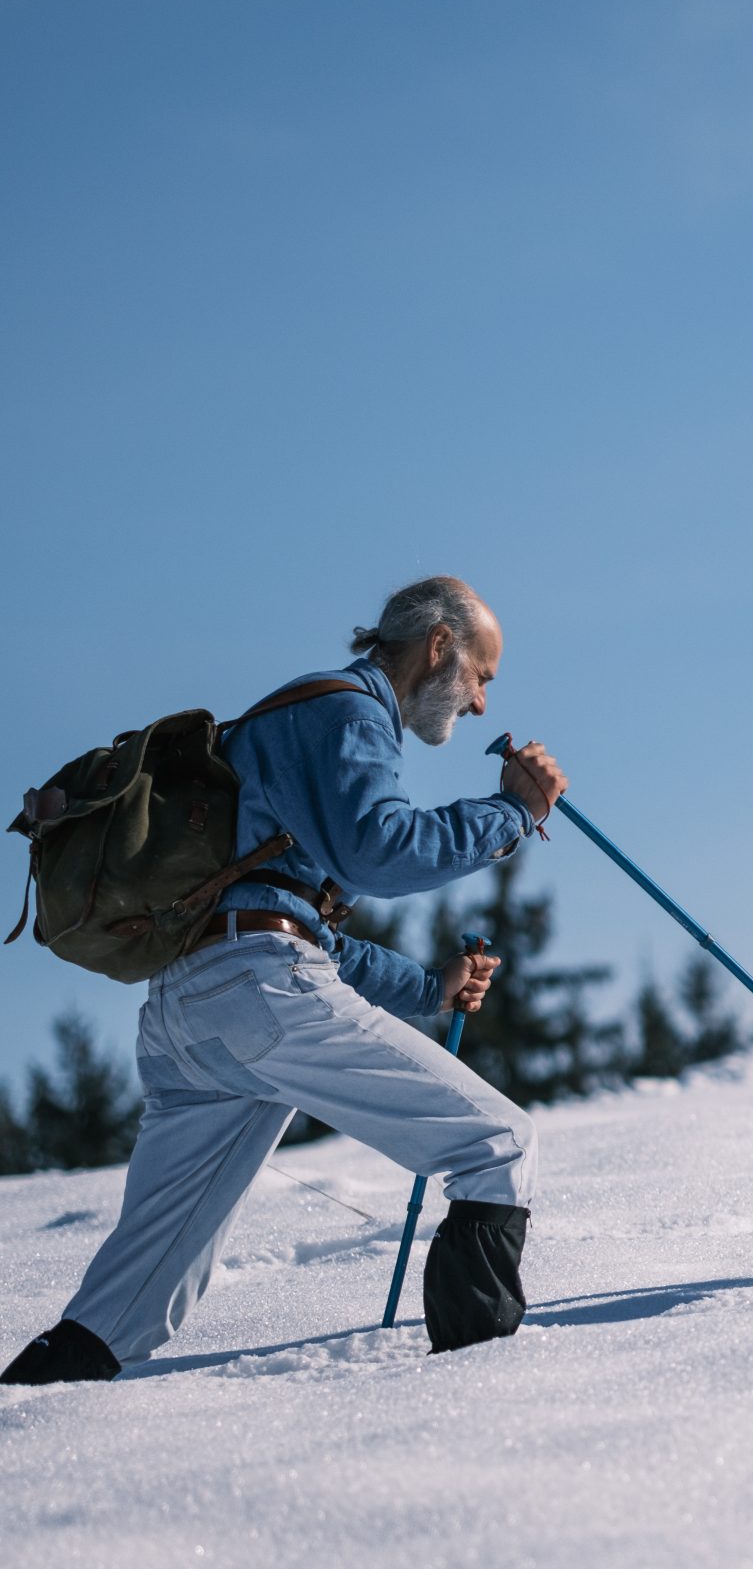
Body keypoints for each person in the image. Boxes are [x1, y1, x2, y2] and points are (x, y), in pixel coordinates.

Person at [2, 576, 569, 1384]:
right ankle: (476, 1402)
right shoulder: (349, 712)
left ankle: (23, 1424)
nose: (481, 702)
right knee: (497, 1143)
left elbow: (293, 916)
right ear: (438, 647)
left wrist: (428, 988)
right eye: (482, 674)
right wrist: (510, 814)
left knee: (125, 1307)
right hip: (255, 991)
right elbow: (377, 849)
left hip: (191, 1010)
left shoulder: (295, 718)